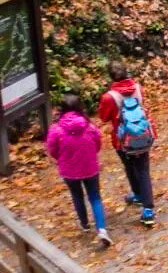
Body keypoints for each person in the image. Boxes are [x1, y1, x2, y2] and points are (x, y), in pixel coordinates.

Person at [46, 95, 113, 247]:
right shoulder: (89, 126)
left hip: (69, 171)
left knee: (77, 196)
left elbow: (52, 149)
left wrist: (62, 159)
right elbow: (97, 143)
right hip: (90, 167)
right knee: (95, 197)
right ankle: (102, 228)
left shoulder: (56, 130)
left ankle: (84, 224)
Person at [98, 61, 156, 227]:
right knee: (143, 169)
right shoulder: (138, 88)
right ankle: (146, 206)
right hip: (142, 135)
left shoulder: (109, 97)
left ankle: (142, 199)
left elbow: (103, 117)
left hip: (122, 140)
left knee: (129, 166)